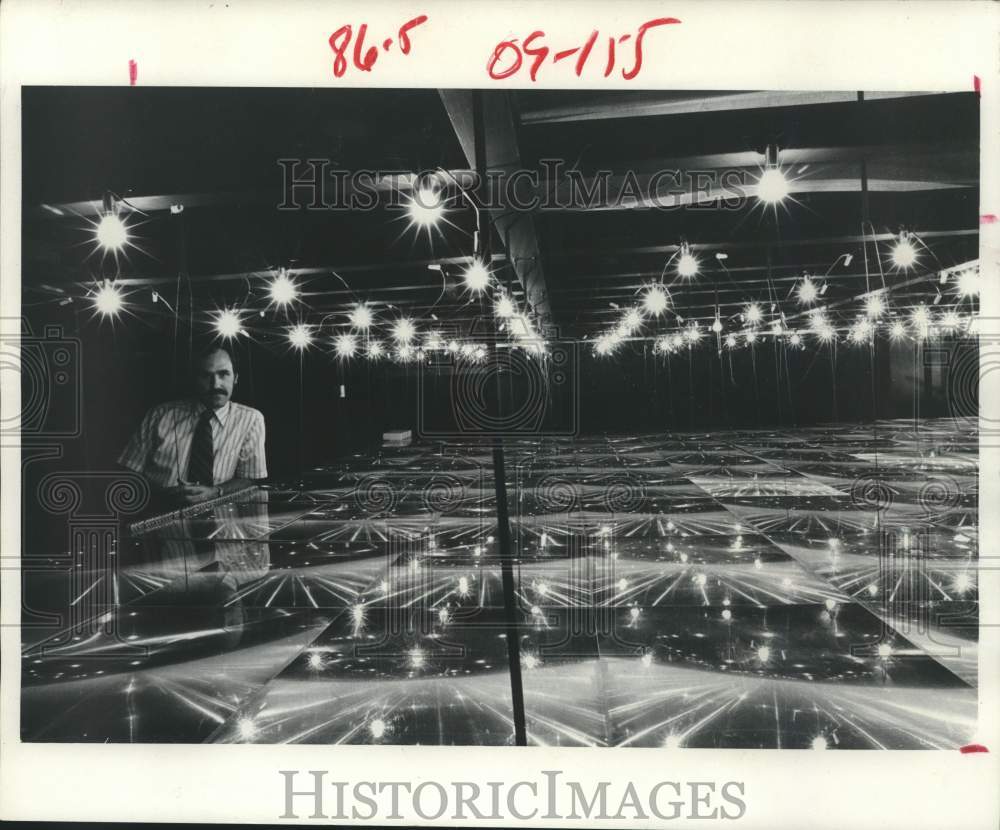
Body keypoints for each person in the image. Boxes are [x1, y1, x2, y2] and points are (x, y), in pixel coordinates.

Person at [119, 345, 267, 507]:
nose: (215, 384)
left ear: (236, 378)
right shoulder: (159, 414)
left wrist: (216, 492)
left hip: (220, 520)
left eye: (224, 374)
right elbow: (128, 473)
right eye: (205, 375)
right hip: (156, 513)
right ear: (194, 378)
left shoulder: (251, 419)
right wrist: (162, 494)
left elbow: (250, 479)